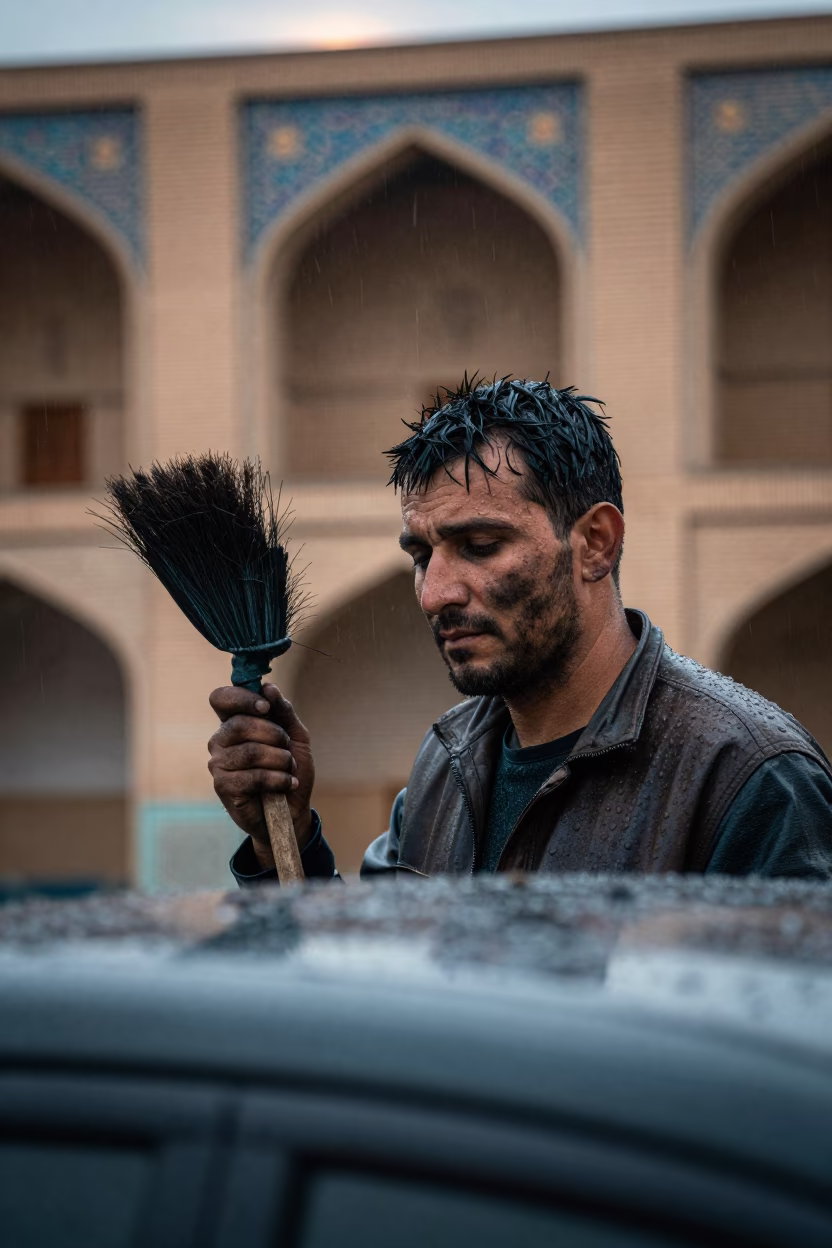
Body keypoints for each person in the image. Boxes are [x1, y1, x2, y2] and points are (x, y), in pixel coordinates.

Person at [208, 378, 832, 882]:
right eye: (421, 556)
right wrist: (283, 837)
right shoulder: (447, 762)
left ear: (595, 543)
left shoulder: (746, 777)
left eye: (480, 546)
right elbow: (379, 981)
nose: (434, 594)